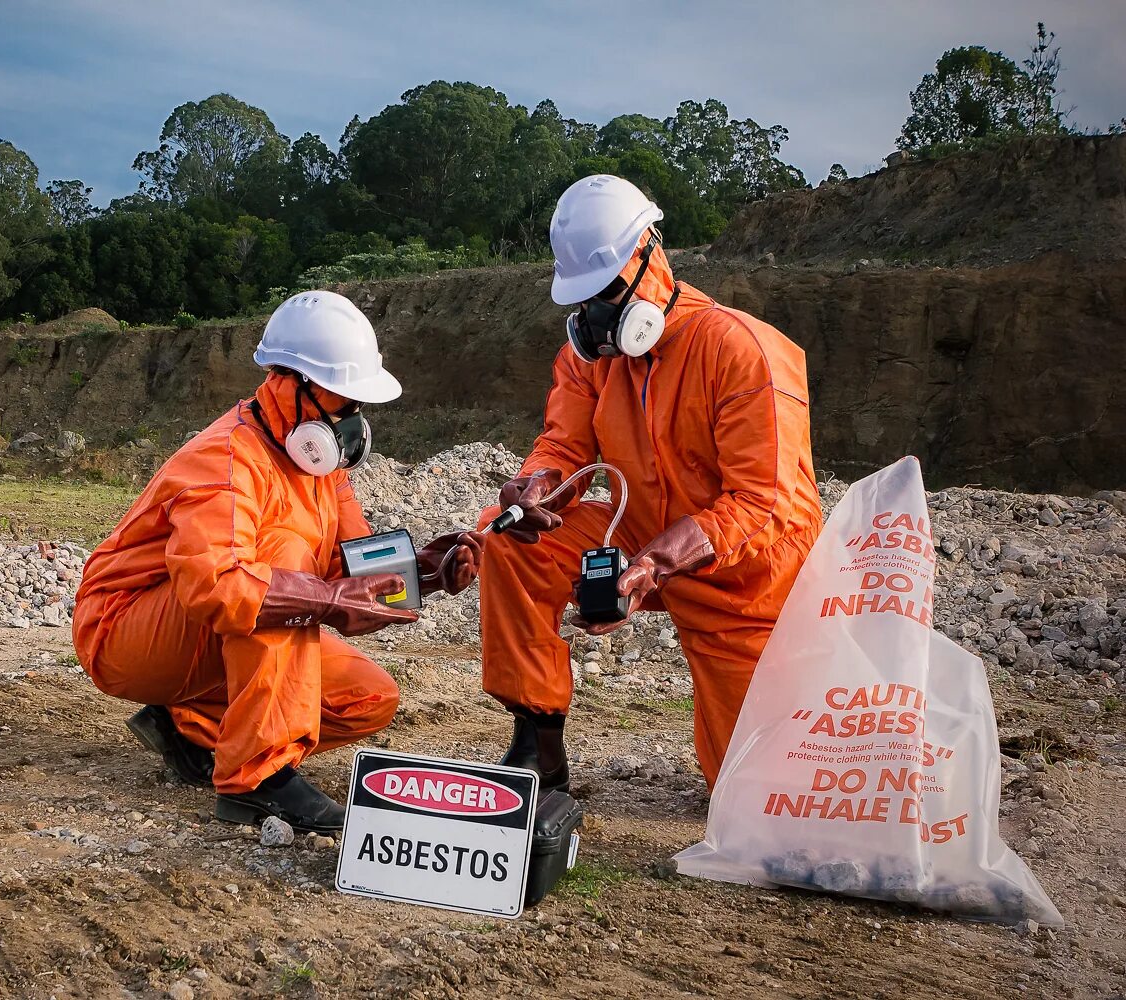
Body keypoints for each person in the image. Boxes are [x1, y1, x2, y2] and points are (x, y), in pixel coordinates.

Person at [74, 290, 483, 833]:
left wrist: (424, 572)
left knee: (368, 698)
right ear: (290, 387)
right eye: (343, 401)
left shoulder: (321, 470)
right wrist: (329, 599)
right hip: (125, 632)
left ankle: (191, 729)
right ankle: (256, 780)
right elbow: (217, 584)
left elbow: (350, 571)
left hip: (211, 629)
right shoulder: (223, 459)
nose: (353, 420)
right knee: (280, 562)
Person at [481, 175, 823, 792]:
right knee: (509, 540)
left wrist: (654, 564)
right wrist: (534, 486)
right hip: (642, 529)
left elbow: (761, 502)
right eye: (581, 302)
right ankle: (538, 749)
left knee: (756, 795)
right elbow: (563, 446)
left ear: (650, 257)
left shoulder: (743, 351)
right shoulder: (592, 359)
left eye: (606, 293)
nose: (595, 316)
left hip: (746, 574)